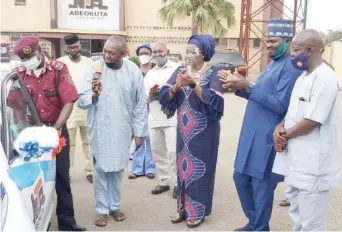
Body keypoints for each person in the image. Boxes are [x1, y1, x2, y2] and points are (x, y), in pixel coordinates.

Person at [219, 19, 302, 231]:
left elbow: (281, 104)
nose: (268, 45)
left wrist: (249, 85)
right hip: (251, 133)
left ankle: (260, 227)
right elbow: (260, 94)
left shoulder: (291, 67)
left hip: (267, 136)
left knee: (261, 186)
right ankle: (255, 223)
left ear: (287, 40)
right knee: (240, 179)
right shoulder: (271, 65)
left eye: (273, 41)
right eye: (266, 41)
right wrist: (238, 84)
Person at [13, 36, 85, 231]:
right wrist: (23, 128)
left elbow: (69, 100)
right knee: (34, 178)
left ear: (40, 52)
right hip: (32, 133)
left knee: (61, 177)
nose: (28, 62)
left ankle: (67, 223)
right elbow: (16, 105)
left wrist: (58, 127)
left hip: (56, 129)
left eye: (30, 57)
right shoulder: (19, 73)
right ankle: (37, 219)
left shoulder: (58, 69)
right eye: (23, 59)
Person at [273, 29, 340, 231]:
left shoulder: (325, 78)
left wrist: (284, 136)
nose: (292, 54)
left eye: (295, 50)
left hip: (313, 165)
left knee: (312, 223)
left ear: (309, 50)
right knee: (298, 217)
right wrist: (280, 126)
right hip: (296, 161)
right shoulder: (302, 77)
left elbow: (313, 120)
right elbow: (295, 110)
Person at [77, 35, 148, 227]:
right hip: (99, 127)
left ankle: (114, 206)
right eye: (105, 51)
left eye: (112, 52)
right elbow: (81, 100)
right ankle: (101, 209)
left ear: (123, 54)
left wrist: (140, 132)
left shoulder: (132, 70)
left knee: (117, 169)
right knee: (100, 169)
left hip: (122, 128)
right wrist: (93, 94)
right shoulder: (94, 68)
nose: (106, 55)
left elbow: (141, 103)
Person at [159, 34, 224, 228]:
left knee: (201, 171)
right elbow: (165, 95)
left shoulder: (213, 72)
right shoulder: (180, 70)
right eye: (186, 51)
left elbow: (215, 103)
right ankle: (183, 208)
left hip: (205, 133)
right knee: (183, 170)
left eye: (192, 52)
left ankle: (198, 212)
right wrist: (176, 86)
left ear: (204, 54)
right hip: (184, 133)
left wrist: (194, 84)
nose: (187, 55)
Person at [144, 42, 179, 198]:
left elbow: (180, 90)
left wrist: (166, 92)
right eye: (155, 52)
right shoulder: (150, 73)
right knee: (157, 152)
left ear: (167, 52)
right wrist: (152, 93)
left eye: (161, 51)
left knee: (172, 152)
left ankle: (178, 183)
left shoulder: (176, 69)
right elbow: (144, 96)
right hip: (154, 117)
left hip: (172, 117)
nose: (158, 54)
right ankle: (164, 181)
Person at [58, 34, 94, 183]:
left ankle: (90, 170)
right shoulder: (60, 63)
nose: (73, 49)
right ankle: (68, 171)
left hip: (86, 105)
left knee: (88, 141)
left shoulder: (89, 63)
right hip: (69, 107)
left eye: (76, 46)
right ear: (66, 48)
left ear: (80, 46)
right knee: (69, 142)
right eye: (70, 47)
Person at [128, 44, 156, 180]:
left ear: (151, 55)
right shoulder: (134, 71)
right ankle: (137, 169)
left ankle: (150, 168)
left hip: (153, 107)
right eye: (142, 53)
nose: (144, 55)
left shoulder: (155, 71)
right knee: (138, 136)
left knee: (151, 138)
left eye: (147, 52)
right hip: (137, 108)